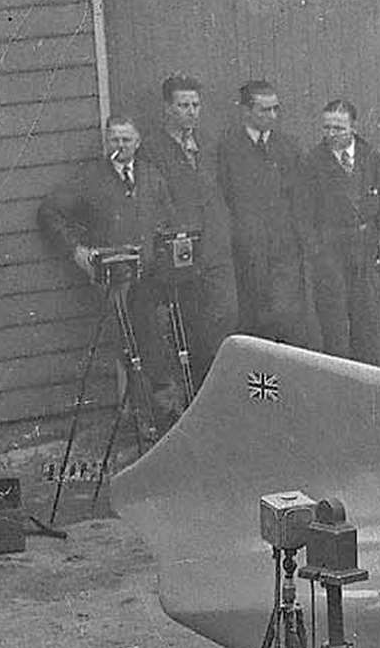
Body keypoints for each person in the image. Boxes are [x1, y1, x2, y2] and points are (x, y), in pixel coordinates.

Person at [36, 115, 192, 425]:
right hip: (114, 280)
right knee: (128, 346)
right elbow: (49, 212)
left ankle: (166, 415)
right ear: (107, 143)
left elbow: (169, 220)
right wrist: (77, 251)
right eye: (114, 140)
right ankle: (139, 417)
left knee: (155, 340)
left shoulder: (151, 176)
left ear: (138, 142)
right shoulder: (91, 178)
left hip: (150, 279)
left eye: (126, 140)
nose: (120, 146)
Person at [134, 72, 236, 389]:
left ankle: (221, 394)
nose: (191, 111)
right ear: (167, 108)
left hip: (216, 248)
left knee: (225, 320)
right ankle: (197, 398)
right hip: (182, 254)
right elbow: (153, 203)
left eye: (195, 104)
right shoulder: (151, 150)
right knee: (191, 328)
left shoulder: (209, 143)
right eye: (183, 105)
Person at [216, 79, 313, 346]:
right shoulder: (227, 149)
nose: (272, 116)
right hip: (246, 252)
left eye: (275, 109)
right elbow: (222, 198)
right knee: (254, 323)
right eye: (264, 110)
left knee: (288, 319)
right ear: (246, 111)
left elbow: (300, 199)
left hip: (284, 250)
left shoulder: (288, 147)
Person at [298, 98, 380, 366]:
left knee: (367, 327)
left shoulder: (370, 156)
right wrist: (317, 251)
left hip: (365, 251)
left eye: (338, 128)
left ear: (353, 126)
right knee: (335, 329)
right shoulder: (313, 162)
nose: (331, 134)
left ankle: (370, 391)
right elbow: (303, 215)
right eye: (326, 128)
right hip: (330, 254)